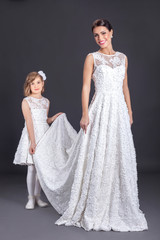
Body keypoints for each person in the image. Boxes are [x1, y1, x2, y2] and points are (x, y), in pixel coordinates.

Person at [32, 19, 148, 231]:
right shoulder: (91, 58)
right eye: (96, 35)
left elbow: (126, 87)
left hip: (119, 111)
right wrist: (85, 113)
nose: (100, 38)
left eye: (103, 33)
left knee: (118, 154)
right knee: (98, 153)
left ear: (112, 33)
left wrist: (130, 111)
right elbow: (86, 87)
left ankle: (116, 202)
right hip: (100, 109)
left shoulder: (123, 58)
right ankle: (94, 204)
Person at [13, 71, 62, 209]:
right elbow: (29, 121)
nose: (35, 86)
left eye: (38, 82)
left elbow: (45, 120)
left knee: (41, 169)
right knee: (32, 168)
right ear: (28, 85)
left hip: (44, 135)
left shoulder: (46, 101)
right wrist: (32, 142)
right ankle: (30, 198)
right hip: (32, 135)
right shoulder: (26, 101)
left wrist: (54, 118)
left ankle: (38, 197)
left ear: (43, 84)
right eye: (32, 83)